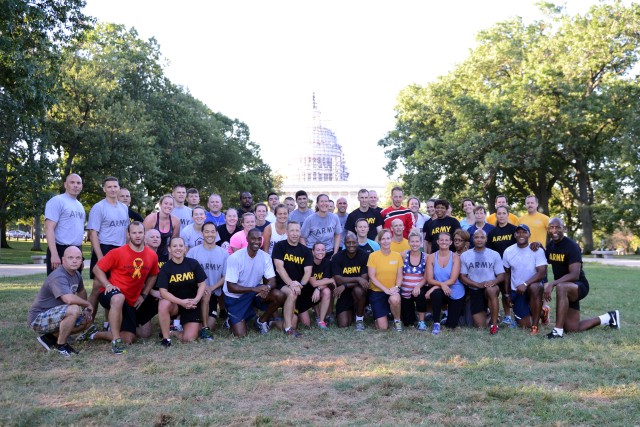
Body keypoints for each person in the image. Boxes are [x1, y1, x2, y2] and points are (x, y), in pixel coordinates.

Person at [90, 222, 160, 354]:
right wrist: (108, 285)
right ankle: (116, 340)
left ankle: (96, 334)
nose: (137, 236)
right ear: (128, 234)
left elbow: (153, 275)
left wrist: (144, 294)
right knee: (118, 297)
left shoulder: (151, 255)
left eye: (140, 232)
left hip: (131, 300)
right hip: (111, 294)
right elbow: (97, 268)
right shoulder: (117, 252)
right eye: (134, 233)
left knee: (133, 337)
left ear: (144, 234)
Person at [544, 218, 620, 338]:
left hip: (579, 285)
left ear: (563, 228)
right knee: (572, 328)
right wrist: (537, 245)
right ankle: (609, 317)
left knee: (561, 287)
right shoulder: (550, 246)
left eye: (558, 227)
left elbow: (574, 274)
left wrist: (553, 283)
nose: (554, 230)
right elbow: (543, 259)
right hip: (565, 289)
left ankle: (557, 331)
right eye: (551, 227)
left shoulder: (572, 246)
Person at [28, 246, 92, 357]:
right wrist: (87, 304)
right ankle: (61, 346)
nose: (74, 260)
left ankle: (50, 338)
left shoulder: (76, 274)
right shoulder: (58, 276)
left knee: (87, 320)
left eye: (78, 258)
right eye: (70, 257)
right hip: (38, 318)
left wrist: (86, 310)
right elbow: (68, 299)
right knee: (74, 309)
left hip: (55, 315)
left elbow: (81, 291)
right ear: (63, 260)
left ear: (82, 260)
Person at [223, 228, 285, 338]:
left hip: (253, 292)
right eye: (253, 239)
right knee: (241, 335)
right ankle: (232, 319)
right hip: (235, 297)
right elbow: (231, 287)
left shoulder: (265, 257)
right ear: (247, 239)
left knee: (279, 295)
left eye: (258, 239)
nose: (256, 242)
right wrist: (253, 289)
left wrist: (267, 287)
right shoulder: (235, 258)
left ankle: (261, 321)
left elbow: (272, 280)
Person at [86, 177, 129, 315]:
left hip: (121, 250)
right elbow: (93, 234)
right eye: (109, 187)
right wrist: (100, 257)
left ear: (119, 188)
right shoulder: (99, 207)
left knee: (114, 286)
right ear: (104, 189)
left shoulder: (124, 207)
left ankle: (108, 323)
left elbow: (127, 232)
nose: (112, 189)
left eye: (115, 186)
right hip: (104, 249)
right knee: (98, 287)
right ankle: (88, 321)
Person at [157, 237, 210, 346]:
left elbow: (202, 284)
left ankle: (174, 332)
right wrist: (181, 302)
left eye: (181, 246)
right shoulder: (166, 268)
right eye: (174, 246)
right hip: (176, 304)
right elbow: (163, 291)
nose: (178, 248)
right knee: (163, 303)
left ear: (185, 248)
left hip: (191, 304)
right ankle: (166, 339)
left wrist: (196, 300)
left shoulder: (193, 263)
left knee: (189, 338)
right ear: (169, 249)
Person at [502, 224, 546, 334]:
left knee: (535, 287)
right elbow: (507, 274)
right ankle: (541, 313)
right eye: (518, 232)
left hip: (532, 288)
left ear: (529, 235)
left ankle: (535, 326)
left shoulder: (536, 249)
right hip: (517, 291)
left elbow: (542, 273)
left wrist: (525, 284)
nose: (521, 234)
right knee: (525, 324)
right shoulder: (508, 251)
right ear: (515, 235)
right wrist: (507, 294)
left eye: (524, 232)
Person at [459, 229, 505, 335]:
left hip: (490, 287)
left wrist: (494, 281)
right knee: (480, 326)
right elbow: (463, 277)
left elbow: (501, 275)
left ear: (486, 239)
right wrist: (477, 284)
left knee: (491, 290)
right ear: (473, 239)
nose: (479, 240)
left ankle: (494, 325)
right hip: (475, 290)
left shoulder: (494, 254)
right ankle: (491, 315)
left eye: (482, 237)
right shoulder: (465, 255)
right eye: (476, 237)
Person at [272, 221, 313, 336]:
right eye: (292, 230)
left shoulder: (306, 251)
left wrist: (300, 285)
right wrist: (291, 284)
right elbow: (279, 268)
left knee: (303, 323)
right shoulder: (279, 246)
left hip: (299, 286)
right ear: (286, 232)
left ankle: (275, 323)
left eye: (297, 230)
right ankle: (288, 329)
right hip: (282, 284)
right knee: (292, 293)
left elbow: (308, 272)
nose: (295, 233)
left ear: (300, 232)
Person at [188, 222, 228, 331]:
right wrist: (202, 287)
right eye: (207, 232)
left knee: (210, 327)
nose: (210, 234)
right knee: (194, 327)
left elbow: (225, 276)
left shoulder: (224, 253)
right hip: (195, 293)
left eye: (212, 231)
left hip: (212, 293)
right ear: (202, 234)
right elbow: (188, 274)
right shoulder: (193, 252)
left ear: (216, 233)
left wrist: (212, 287)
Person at [44, 173, 86, 275]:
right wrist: (54, 254)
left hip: (76, 249)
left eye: (78, 183)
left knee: (74, 286)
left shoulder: (79, 205)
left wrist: (80, 255)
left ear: (81, 186)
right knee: (57, 286)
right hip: (60, 249)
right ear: (65, 185)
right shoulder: (57, 201)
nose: (75, 185)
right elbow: (49, 228)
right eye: (72, 182)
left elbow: (77, 232)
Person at [426, 232, 466, 334]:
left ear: (450, 242)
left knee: (451, 325)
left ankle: (447, 315)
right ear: (438, 242)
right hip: (441, 290)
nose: (444, 242)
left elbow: (453, 280)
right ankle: (436, 323)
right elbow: (429, 279)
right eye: (441, 240)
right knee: (436, 294)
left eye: (446, 240)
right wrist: (441, 285)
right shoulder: (431, 257)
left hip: (455, 291)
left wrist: (434, 287)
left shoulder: (455, 257)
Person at [487, 205, 518, 328]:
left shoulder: (514, 230)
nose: (501, 216)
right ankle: (507, 317)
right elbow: (489, 251)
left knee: (511, 291)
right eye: (498, 214)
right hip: (497, 267)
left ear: (507, 215)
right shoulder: (492, 233)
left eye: (503, 213)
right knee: (503, 291)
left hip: (512, 267)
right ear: (496, 216)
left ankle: (516, 315)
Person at [331, 232, 369, 330]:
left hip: (357, 290)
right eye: (348, 243)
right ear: (344, 243)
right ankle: (355, 310)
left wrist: (345, 285)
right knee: (343, 324)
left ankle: (359, 319)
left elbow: (364, 281)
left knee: (359, 290)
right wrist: (357, 278)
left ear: (357, 243)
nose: (351, 245)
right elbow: (338, 279)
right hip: (344, 293)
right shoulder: (337, 257)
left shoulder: (364, 256)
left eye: (353, 242)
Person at [367, 229, 404, 331]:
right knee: (382, 328)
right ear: (379, 241)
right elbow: (372, 277)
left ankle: (397, 321)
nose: (386, 241)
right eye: (383, 239)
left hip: (392, 291)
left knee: (395, 299)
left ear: (391, 239)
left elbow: (400, 275)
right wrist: (385, 289)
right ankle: (380, 315)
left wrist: (396, 287)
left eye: (388, 238)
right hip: (377, 292)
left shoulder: (397, 256)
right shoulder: (373, 256)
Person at [399, 230, 428, 330]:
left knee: (421, 295)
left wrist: (418, 286)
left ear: (420, 242)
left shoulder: (426, 257)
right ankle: (411, 315)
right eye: (412, 241)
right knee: (408, 323)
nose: (414, 244)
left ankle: (421, 321)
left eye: (417, 241)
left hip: (418, 288)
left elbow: (426, 276)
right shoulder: (403, 255)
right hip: (405, 291)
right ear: (408, 242)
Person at [300, 194, 342, 258]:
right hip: (313, 252)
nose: (324, 203)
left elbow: (338, 234)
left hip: (328, 251)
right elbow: (302, 237)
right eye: (321, 201)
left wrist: (335, 253)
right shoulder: (310, 219)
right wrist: (308, 253)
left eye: (326, 201)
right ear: (317, 204)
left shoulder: (334, 217)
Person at [306, 243, 335, 329]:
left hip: (319, 290)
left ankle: (321, 321)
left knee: (327, 291)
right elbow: (313, 283)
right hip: (306, 292)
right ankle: (316, 313)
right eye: (318, 250)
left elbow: (325, 282)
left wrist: (318, 288)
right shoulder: (308, 262)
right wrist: (331, 280)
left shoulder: (327, 262)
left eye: (323, 250)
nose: (321, 252)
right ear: (313, 251)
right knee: (306, 323)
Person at [143, 195, 180, 260]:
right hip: (149, 254)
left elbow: (174, 243)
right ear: (160, 204)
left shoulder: (176, 221)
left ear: (173, 207)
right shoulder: (150, 219)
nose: (168, 206)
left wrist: (171, 261)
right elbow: (142, 239)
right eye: (165, 203)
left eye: (171, 204)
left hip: (165, 255)